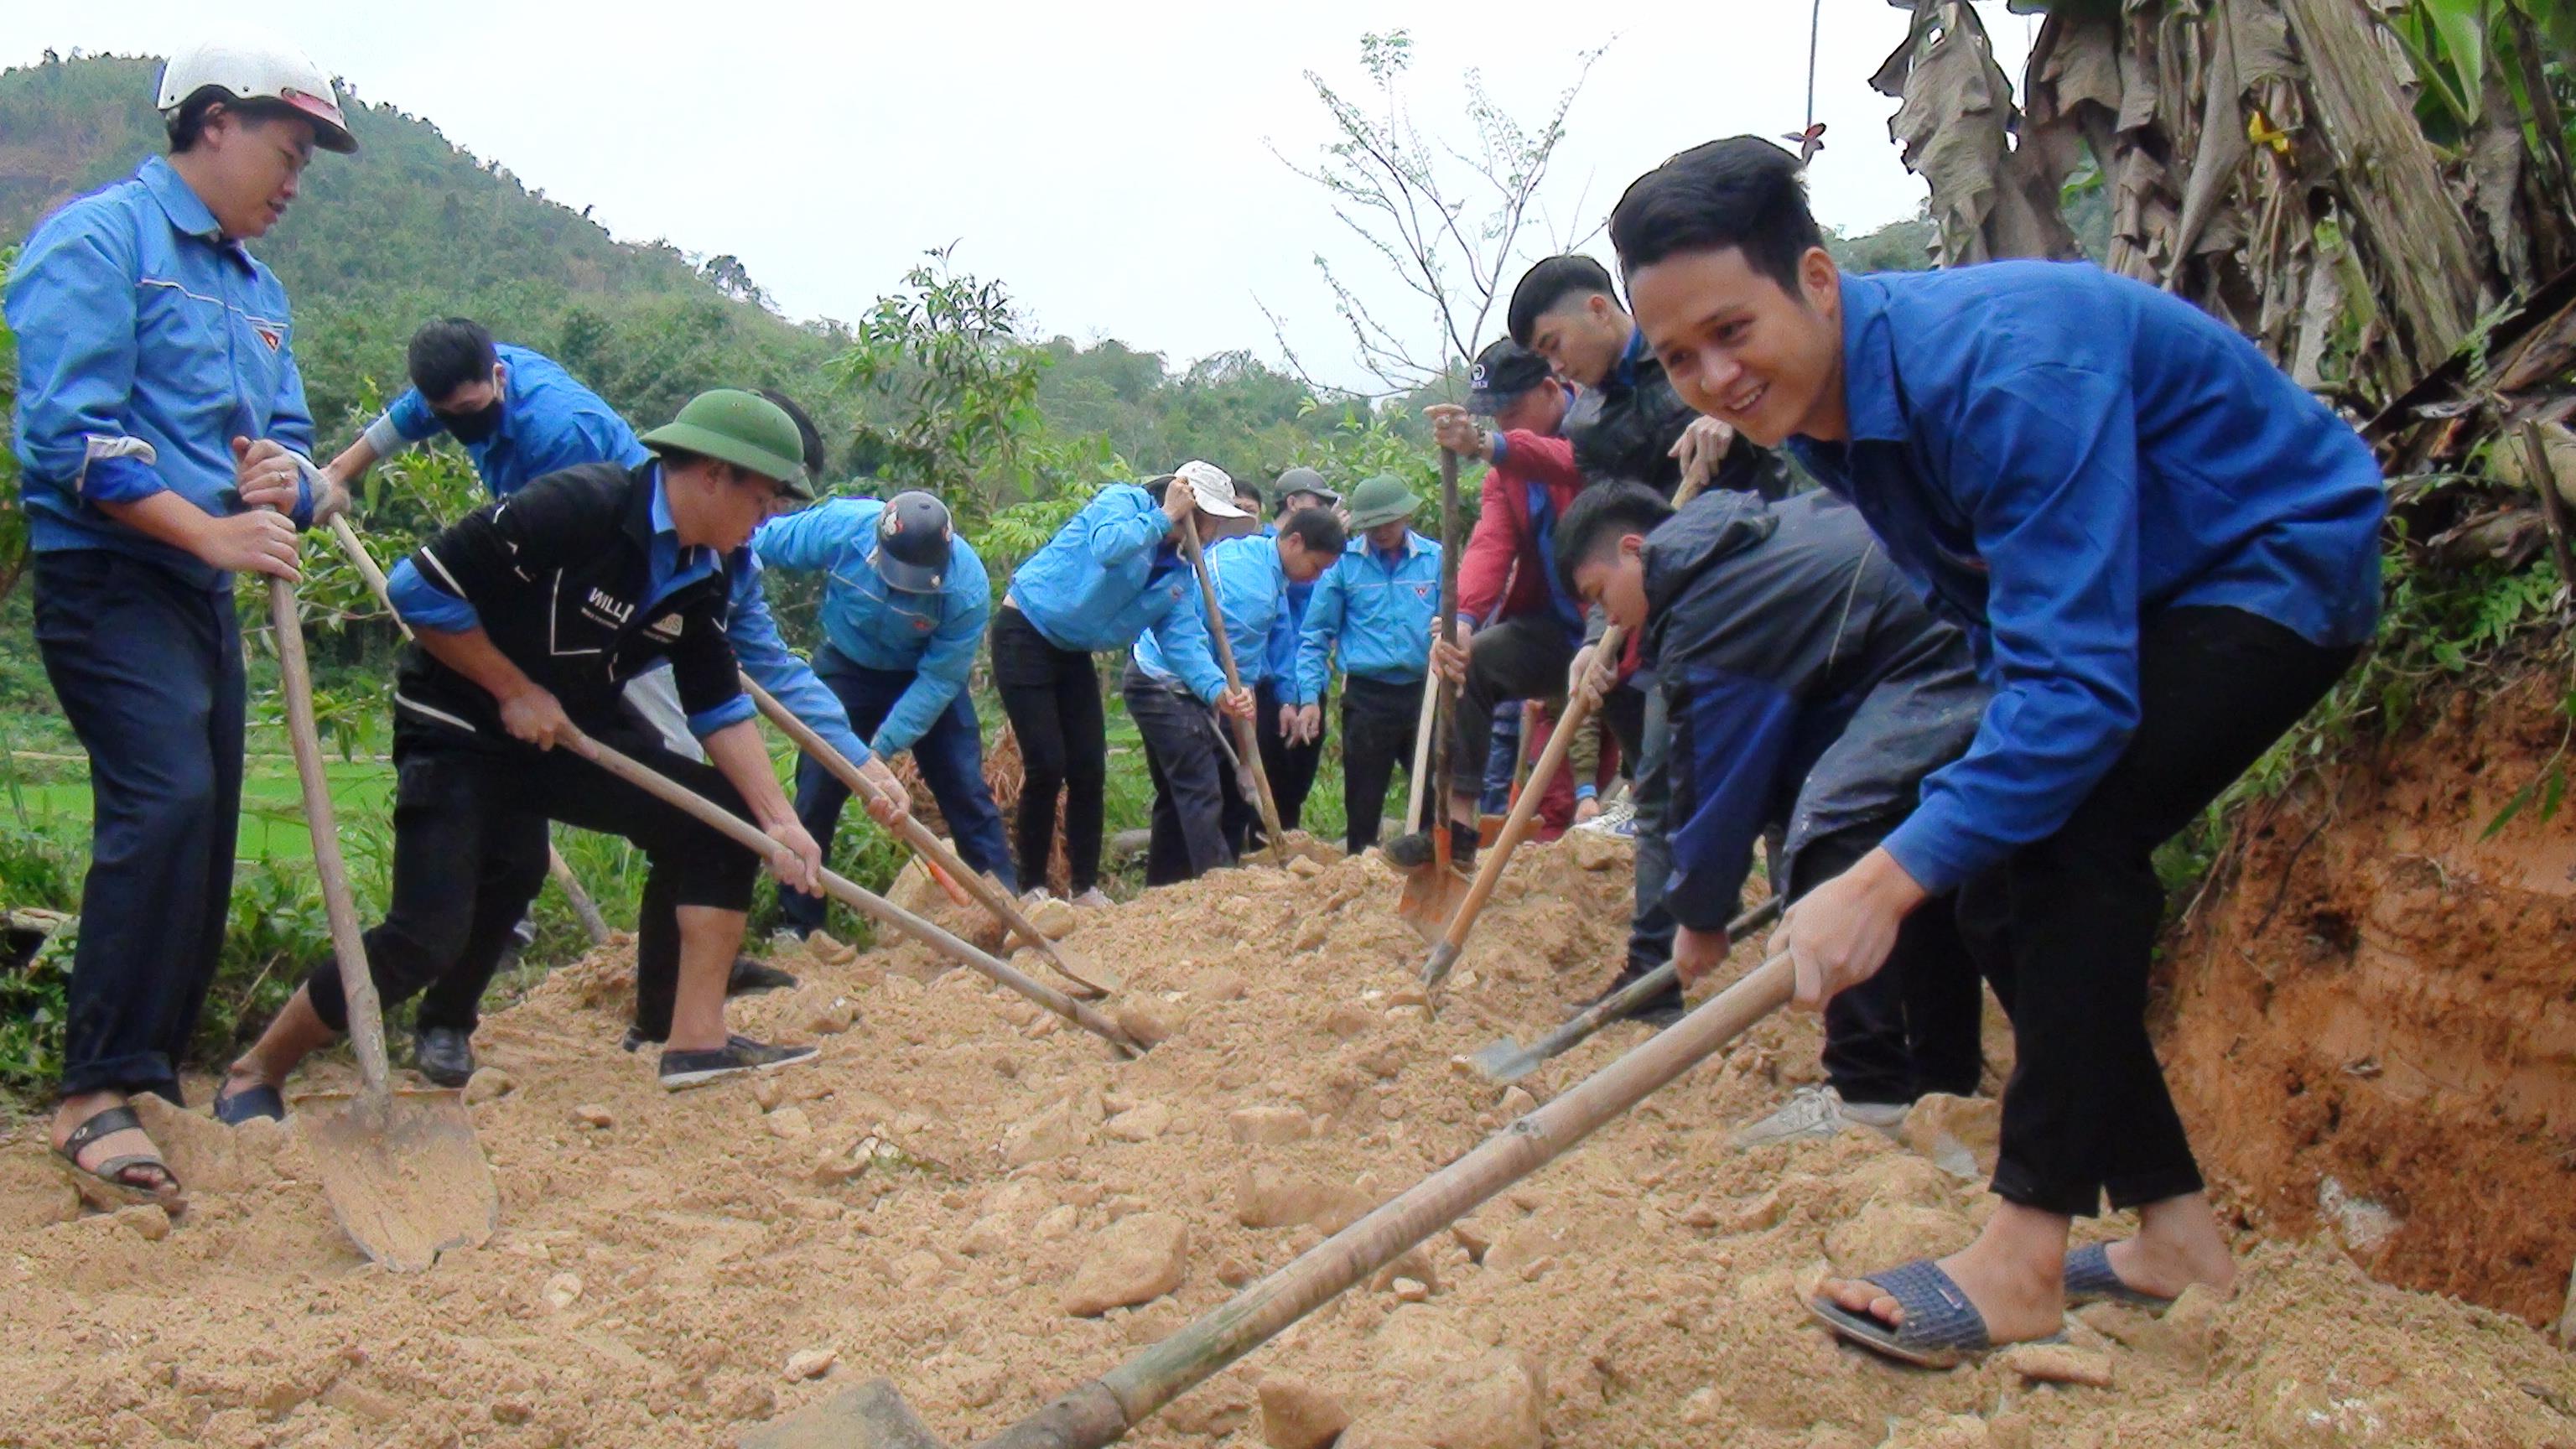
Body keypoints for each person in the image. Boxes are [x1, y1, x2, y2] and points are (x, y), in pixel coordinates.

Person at [1609, 137, 2384, 1363]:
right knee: (1993, 875)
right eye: (1676, 359)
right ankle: (2174, 1239)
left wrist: (1879, 877)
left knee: (2062, 839)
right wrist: (1936, 844)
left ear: (1816, 280)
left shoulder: (2003, 372)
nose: (1714, 377)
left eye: (1731, 331)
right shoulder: (1823, 414)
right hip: (2141, 595)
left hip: (2270, 559)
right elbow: (1997, 616)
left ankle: (2025, 1254)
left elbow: (2075, 701)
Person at [215, 390, 835, 1106]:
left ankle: (696, 1042)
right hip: (459, 725)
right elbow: (416, 589)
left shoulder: (704, 570)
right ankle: (258, 1068)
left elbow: (716, 701)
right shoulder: (579, 507)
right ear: (714, 475)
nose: (764, 522)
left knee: (720, 821)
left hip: (564, 732)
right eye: (762, 501)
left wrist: (777, 819)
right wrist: (510, 687)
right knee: (431, 933)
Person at [7, 39, 356, 1208]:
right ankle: (88, 1092)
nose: (295, 183)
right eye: (286, 150)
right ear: (212, 120)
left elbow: (305, 458)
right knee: (166, 803)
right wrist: (206, 529)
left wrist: (287, 482)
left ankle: (149, 1075)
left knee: (203, 836)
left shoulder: (258, 292)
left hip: (204, 589)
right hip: (110, 575)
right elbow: (71, 438)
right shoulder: (99, 241)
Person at [1553, 481, 1987, 1129]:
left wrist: (1700, 916)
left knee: (1835, 827)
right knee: (1911, 865)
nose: (1609, 619)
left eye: (1599, 595)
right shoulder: (1748, 540)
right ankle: (1943, 1091)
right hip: (1963, 639)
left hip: (1945, 657)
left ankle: (1867, 1094)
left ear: (1635, 550)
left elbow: (1717, 780)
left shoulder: (1709, 609)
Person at [757, 489, 1018, 933]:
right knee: (817, 789)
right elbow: (758, 541)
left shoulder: (966, 588)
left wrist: (876, 754)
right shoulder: (841, 527)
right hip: (847, 664)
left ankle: (1006, 914)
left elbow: (939, 680)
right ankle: (797, 926)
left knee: (964, 790)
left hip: (924, 677)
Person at [995, 461, 1254, 904]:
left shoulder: (1176, 574)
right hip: (1026, 630)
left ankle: (1084, 887)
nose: (1210, 535)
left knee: (1089, 767)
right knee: (1047, 763)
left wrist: (1219, 691)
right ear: (1188, 507)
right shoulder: (1124, 503)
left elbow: (1183, 641)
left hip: (1072, 650)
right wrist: (1163, 517)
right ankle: (1031, 886)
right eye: (1210, 522)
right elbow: (1107, 547)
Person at [1397, 340, 1589, 873]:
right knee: (1471, 660)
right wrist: (1461, 620)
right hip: (1556, 629)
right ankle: (1458, 827)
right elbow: (1489, 546)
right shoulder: (1506, 473)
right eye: (1496, 418)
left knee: (1647, 744)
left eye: (1511, 413)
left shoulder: (1600, 423)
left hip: (1629, 624)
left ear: (1551, 391)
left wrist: (1488, 444)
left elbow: (1574, 464)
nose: (1505, 428)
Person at [1126, 506, 1347, 882]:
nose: (1317, 578)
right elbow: (1239, 689)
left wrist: (1244, 765)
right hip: (1162, 681)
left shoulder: (1257, 554)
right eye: (1316, 566)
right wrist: (1248, 764)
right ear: (1294, 542)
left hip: (1192, 679)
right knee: (1202, 784)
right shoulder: (1252, 593)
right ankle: (1221, 888)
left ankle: (1165, 886)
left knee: (1198, 788)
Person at [1505, 253, 1783, 501]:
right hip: (1679, 552)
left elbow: (1785, 399)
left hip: (1779, 528)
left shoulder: (1699, 349)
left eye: (1554, 345)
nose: (1556, 366)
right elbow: (1618, 521)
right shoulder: (1584, 427)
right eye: (1544, 358)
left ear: (1599, 310)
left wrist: (1733, 415)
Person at [1285, 474, 1441, 854]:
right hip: (1367, 698)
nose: (1382, 531)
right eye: (1373, 525)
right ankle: (1361, 875)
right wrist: (1309, 696)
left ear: (1406, 516)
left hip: (1427, 691)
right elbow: (1315, 636)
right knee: (1363, 800)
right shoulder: (1344, 567)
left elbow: (1465, 618)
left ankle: (1433, 867)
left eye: (1389, 522)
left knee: (1437, 792)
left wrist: (1451, 627)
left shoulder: (1435, 559)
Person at [1253, 468, 1342, 839]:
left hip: (1309, 674)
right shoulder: (1264, 552)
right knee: (1267, 769)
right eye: (1317, 502)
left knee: (1299, 769)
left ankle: (1287, 841)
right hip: (1269, 677)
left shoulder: (1320, 553)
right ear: (1293, 503)